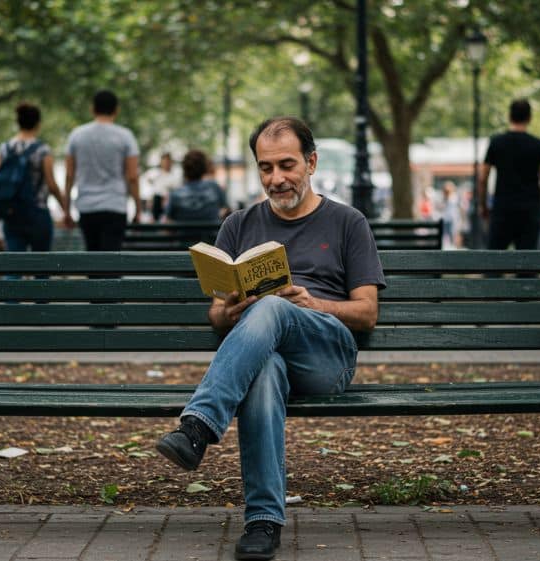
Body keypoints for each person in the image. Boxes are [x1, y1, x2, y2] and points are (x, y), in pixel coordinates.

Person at [155, 117, 385, 561]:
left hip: (326, 356)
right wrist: (232, 310)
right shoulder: (238, 225)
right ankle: (263, 523)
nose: (276, 179)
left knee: (274, 306)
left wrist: (312, 303)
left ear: (311, 162)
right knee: (262, 370)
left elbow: (368, 313)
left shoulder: (347, 222)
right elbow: (217, 313)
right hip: (265, 353)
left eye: (287, 165)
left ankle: (198, 425)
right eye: (265, 168)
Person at [64, 90, 141, 250]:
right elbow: (132, 176)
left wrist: (66, 210)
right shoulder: (125, 136)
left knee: (93, 261)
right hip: (115, 206)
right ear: (116, 110)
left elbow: (69, 175)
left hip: (87, 207)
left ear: (93, 109)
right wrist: (138, 209)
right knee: (111, 262)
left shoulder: (76, 135)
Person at [478, 99, 540, 249]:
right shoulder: (538, 145)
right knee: (528, 264)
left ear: (509, 116)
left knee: (494, 262)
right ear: (529, 118)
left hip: (502, 209)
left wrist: (483, 206)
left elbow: (483, 178)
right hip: (530, 210)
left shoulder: (496, 143)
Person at [0, 102, 66, 252]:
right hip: (37, 212)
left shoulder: (4, 149)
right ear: (38, 124)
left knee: (14, 266)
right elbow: (51, 185)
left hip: (12, 213)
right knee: (42, 267)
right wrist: (66, 209)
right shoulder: (42, 150)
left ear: (18, 123)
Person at [165, 149, 229, 223]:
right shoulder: (214, 188)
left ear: (184, 169)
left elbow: (168, 221)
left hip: (184, 234)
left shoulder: (175, 194)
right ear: (204, 168)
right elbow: (226, 211)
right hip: (211, 234)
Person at [143, 152, 179, 222]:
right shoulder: (154, 173)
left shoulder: (174, 177)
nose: (166, 163)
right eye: (164, 161)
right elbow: (147, 187)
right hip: (154, 201)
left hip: (167, 202)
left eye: (168, 161)